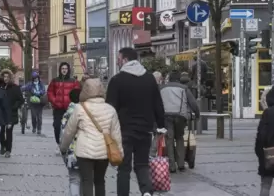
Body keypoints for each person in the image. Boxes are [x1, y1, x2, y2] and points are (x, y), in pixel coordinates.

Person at [106, 47, 165, 196]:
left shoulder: (117, 80)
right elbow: (157, 104)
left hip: (124, 130)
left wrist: (107, 130)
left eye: (119, 59)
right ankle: (146, 191)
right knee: (142, 164)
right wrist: (161, 125)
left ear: (125, 60)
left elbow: (110, 108)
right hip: (145, 129)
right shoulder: (149, 78)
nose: (118, 62)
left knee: (124, 167)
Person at [61, 78, 122, 196]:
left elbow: (69, 131)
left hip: (84, 152)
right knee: (100, 181)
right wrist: (120, 151)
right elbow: (116, 134)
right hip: (103, 152)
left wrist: (63, 147)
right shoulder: (110, 109)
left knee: (86, 181)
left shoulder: (80, 108)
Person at [160, 70, 199, 172]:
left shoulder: (162, 88)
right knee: (179, 138)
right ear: (179, 79)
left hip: (166, 116)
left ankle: (171, 165)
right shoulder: (184, 88)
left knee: (169, 139)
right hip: (180, 116)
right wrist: (197, 113)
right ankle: (181, 164)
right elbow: (193, 103)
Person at [48, 62, 81, 145]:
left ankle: (68, 144)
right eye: (62, 69)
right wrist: (54, 101)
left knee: (69, 127)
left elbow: (77, 93)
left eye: (66, 69)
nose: (64, 70)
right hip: (58, 108)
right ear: (60, 70)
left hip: (69, 109)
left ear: (68, 70)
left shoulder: (73, 81)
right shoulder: (55, 80)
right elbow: (50, 92)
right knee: (56, 126)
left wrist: (73, 103)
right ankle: (58, 142)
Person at [61, 89, 82, 196]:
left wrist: (63, 149)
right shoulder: (87, 111)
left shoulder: (68, 113)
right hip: (87, 150)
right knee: (86, 179)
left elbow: (65, 133)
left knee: (74, 179)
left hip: (72, 151)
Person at [0, 69, 24, 157]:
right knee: (1, 131)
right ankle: (3, 145)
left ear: (10, 78)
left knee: (9, 132)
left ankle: (8, 150)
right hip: (1, 113)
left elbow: (21, 100)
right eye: (4, 77)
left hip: (11, 113)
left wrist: (14, 106)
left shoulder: (15, 87)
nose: (5, 78)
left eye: (7, 77)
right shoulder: (0, 86)